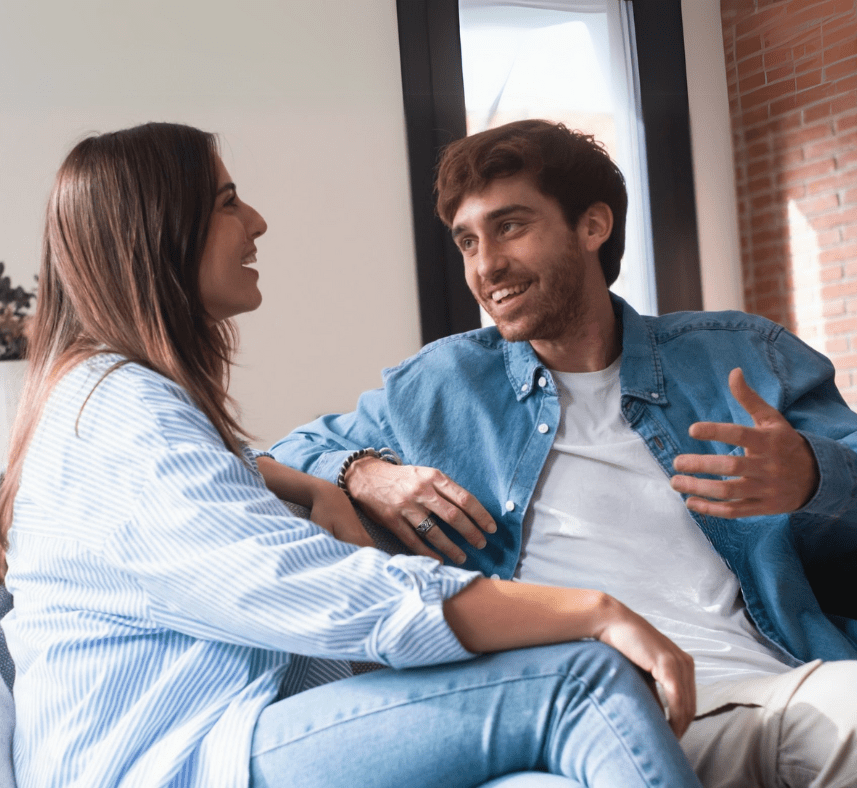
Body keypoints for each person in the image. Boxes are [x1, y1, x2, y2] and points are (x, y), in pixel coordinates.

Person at [0, 122, 705, 788]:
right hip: (176, 759)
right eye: (226, 202)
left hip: (225, 735)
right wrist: (592, 610)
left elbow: (221, 491)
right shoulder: (120, 416)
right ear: (156, 234)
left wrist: (314, 487)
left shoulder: (107, 401)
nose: (256, 221)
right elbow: (320, 591)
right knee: (579, 680)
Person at [271, 119, 857, 787]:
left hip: (784, 669)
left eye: (509, 227)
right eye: (467, 241)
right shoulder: (440, 386)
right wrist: (362, 471)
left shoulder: (737, 354)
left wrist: (814, 475)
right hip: (627, 711)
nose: (485, 266)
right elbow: (279, 456)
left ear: (592, 227)